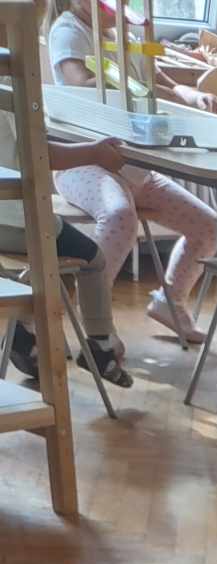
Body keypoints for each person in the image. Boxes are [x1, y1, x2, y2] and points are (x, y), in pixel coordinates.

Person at [47, 0, 217, 344]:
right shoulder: (69, 30)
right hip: (83, 163)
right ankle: (94, 319)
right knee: (119, 217)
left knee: (208, 227)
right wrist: (128, 81)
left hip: (133, 168)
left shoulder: (121, 33)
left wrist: (188, 93)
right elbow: (79, 82)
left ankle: (170, 302)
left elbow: (153, 79)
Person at [0, 113, 132, 385]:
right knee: (93, 259)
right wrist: (94, 152)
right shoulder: (11, 93)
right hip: (15, 219)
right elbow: (40, 153)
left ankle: (22, 331)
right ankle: (101, 344)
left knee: (29, 269)